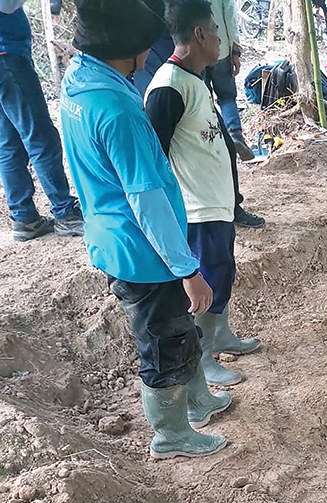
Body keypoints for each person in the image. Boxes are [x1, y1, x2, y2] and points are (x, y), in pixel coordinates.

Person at [61, 0, 232, 459]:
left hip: (119, 236)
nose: (150, 52)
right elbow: (147, 199)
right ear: (129, 47)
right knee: (164, 343)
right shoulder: (118, 110)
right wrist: (187, 268)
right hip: (142, 251)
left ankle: (197, 400)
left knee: (181, 328)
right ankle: (170, 433)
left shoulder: (80, 82)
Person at [146, 0, 261, 387]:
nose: (219, 39)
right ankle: (203, 358)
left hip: (217, 204)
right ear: (198, 34)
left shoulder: (194, 79)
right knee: (207, 282)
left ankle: (221, 335)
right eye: (215, 30)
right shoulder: (168, 87)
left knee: (222, 273)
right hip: (198, 209)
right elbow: (155, 158)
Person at [0, 0, 84, 241]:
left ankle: (25, 218)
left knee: (9, 142)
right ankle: (65, 212)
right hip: (7, 55)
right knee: (41, 137)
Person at [202, 0, 245, 145]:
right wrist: (235, 50)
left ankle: (215, 140)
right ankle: (234, 134)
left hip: (196, 52)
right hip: (220, 48)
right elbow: (230, 14)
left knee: (204, 99)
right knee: (227, 97)